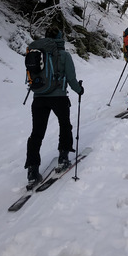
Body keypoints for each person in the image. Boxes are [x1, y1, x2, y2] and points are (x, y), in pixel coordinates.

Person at [24, 25, 84, 184]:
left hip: (39, 97)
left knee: (36, 133)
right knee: (65, 125)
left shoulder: (37, 54)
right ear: (60, 38)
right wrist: (79, 90)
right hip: (58, 97)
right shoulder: (64, 55)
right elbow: (71, 79)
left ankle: (32, 169)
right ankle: (63, 157)